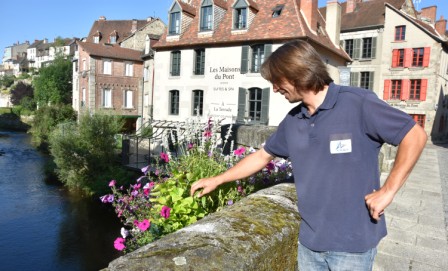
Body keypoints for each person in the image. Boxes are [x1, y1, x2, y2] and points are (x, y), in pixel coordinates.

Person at [190, 40, 427, 270]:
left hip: (353, 245)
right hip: (309, 243)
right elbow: (262, 156)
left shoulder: (357, 103)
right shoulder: (294, 119)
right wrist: (218, 179)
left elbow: (414, 136)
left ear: (297, 73)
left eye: (277, 81)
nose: (274, 88)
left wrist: (388, 190)